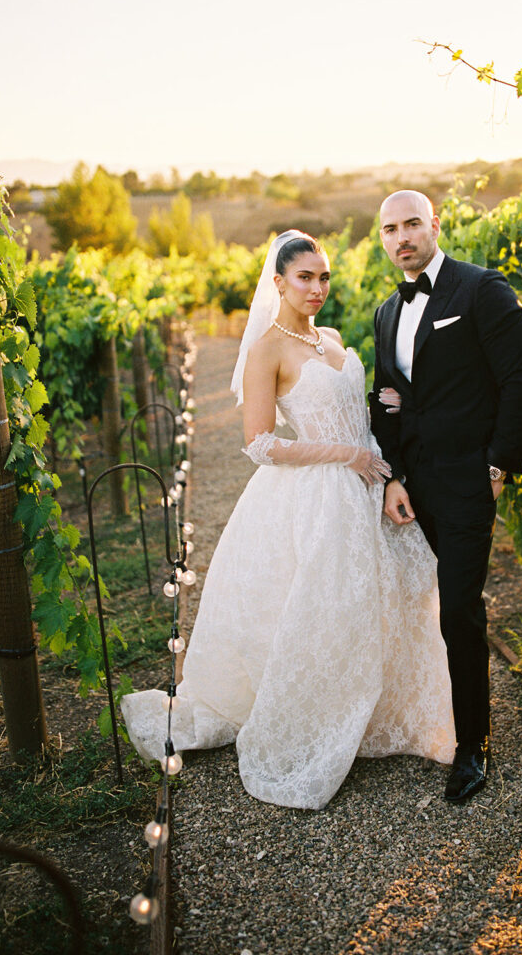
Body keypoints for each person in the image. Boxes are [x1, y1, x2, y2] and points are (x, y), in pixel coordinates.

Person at [122, 230, 455, 810]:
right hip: (318, 492)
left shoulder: (330, 339)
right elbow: (258, 443)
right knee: (326, 610)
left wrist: (386, 473)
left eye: (324, 277)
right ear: (278, 282)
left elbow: (362, 417)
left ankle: (389, 716)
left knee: (394, 593)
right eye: (305, 277)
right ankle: (319, 723)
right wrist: (344, 456)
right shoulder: (266, 351)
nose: (318, 288)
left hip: (368, 485)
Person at [369, 191, 522, 804]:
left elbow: (521, 381)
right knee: (431, 606)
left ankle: (473, 744)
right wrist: (392, 477)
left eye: (412, 223)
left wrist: (497, 468)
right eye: (390, 229)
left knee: (458, 609)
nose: (401, 237)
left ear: (435, 226)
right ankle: (436, 717)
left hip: (470, 483)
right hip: (415, 488)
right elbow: (386, 400)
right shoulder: (386, 312)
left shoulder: (479, 290)